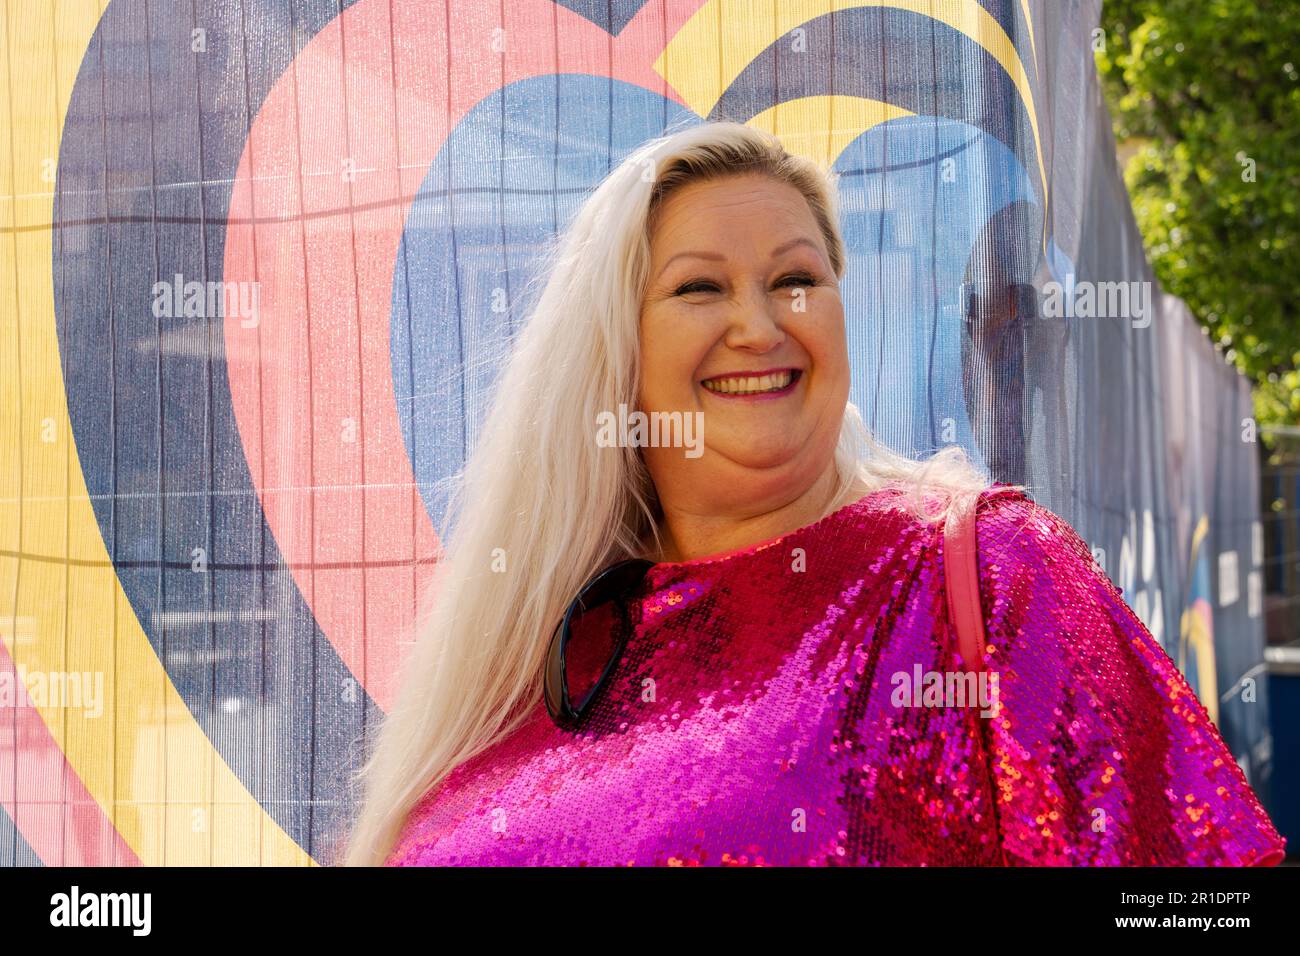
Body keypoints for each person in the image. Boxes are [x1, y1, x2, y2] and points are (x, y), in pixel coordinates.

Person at [343, 121, 1286, 867]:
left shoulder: (986, 574)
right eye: (699, 288)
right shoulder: (544, 648)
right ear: (616, 356)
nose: (757, 326)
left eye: (797, 279)